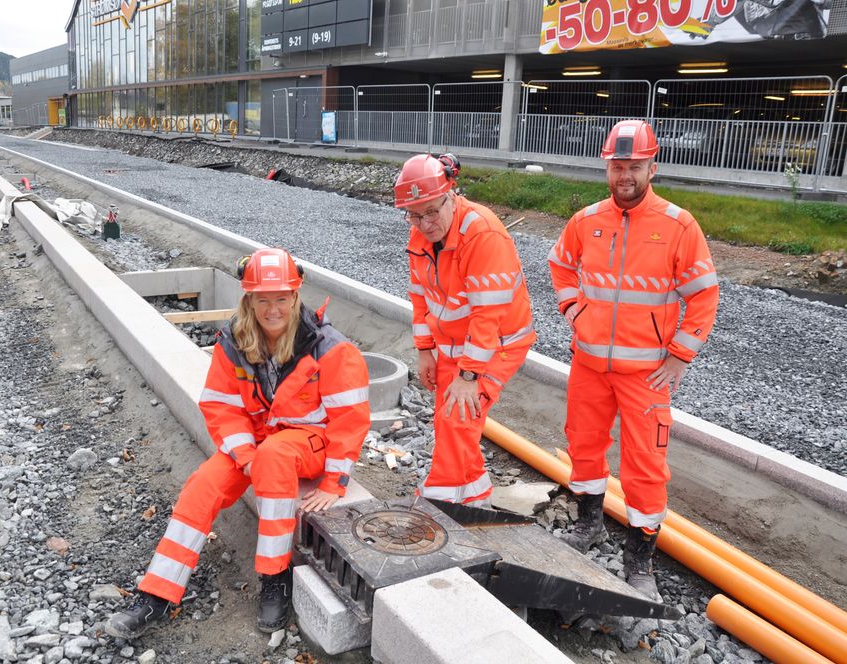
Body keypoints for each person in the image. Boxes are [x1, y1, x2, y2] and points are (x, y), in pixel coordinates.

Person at [105, 248, 370, 638]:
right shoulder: (234, 342)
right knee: (203, 485)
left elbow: (350, 420)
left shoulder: (329, 348)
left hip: (307, 444)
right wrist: (245, 454)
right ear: (249, 299)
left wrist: (333, 482)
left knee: (276, 457)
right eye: (263, 299)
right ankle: (157, 594)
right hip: (256, 443)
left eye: (282, 298)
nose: (273, 308)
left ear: (295, 296)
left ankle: (274, 577)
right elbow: (221, 405)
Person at [548, 120, 719, 600]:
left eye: (635, 166)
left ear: (652, 168)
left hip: (647, 375)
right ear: (608, 167)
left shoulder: (677, 225)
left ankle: (638, 560)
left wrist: (681, 355)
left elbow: (704, 296)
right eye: (618, 166)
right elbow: (560, 264)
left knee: (645, 467)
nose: (625, 175)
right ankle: (590, 526)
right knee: (583, 447)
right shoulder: (586, 220)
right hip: (588, 366)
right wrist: (573, 309)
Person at [395, 153, 536, 507]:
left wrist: (469, 376)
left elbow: (487, 316)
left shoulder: (482, 234)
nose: (425, 223)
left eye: (431, 211)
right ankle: (474, 499)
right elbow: (419, 298)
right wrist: (425, 350)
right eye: (414, 214)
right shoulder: (419, 238)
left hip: (497, 344)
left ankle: (436, 507)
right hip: (453, 344)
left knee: (458, 416)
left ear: (451, 195)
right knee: (448, 424)